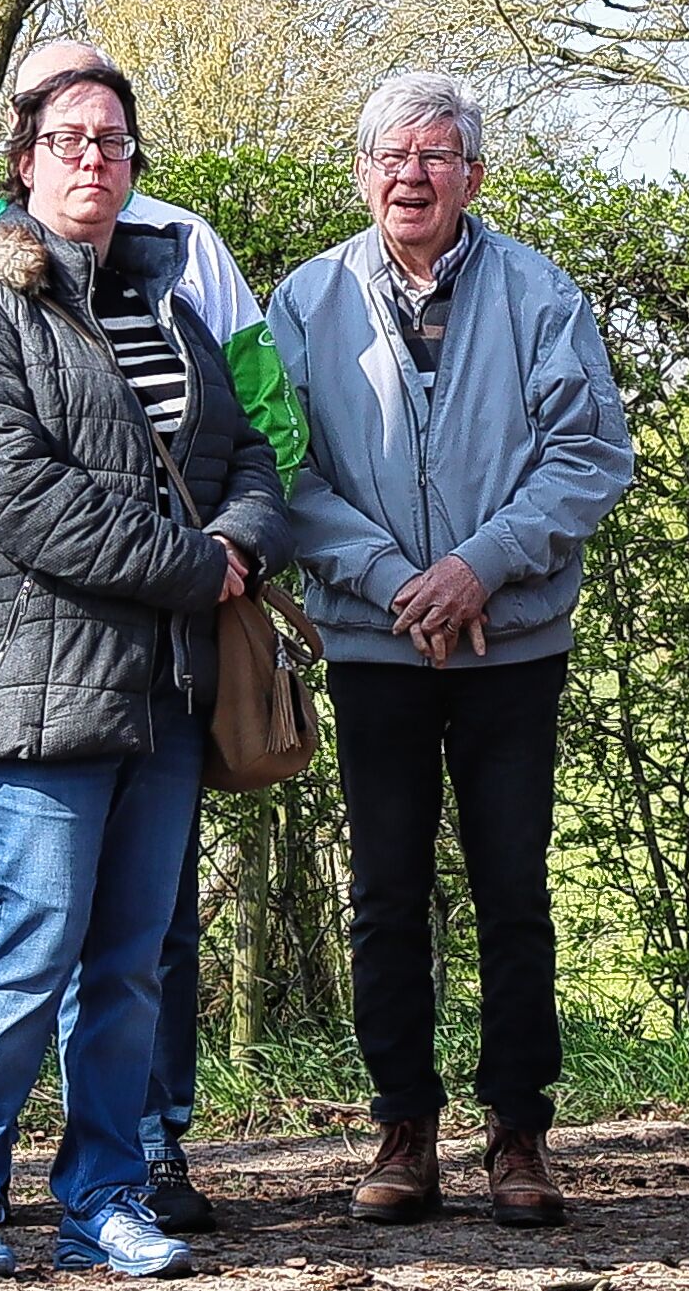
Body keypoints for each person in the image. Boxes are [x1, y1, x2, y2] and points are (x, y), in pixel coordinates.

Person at [0, 38, 304, 1229]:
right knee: (22, 954)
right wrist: (195, 568)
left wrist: (244, 544)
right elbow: (12, 489)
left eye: (110, 140)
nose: (90, 158)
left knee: (129, 966)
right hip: (30, 683)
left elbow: (243, 450)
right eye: (66, 140)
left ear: (132, 162)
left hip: (161, 686)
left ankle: (106, 1191)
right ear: (25, 162)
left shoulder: (162, 294)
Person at [269, 73, 640, 1229]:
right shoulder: (305, 299)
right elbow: (282, 469)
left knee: (512, 890)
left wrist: (478, 566)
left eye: (436, 156)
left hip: (510, 645)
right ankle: (402, 1127)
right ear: (362, 171)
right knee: (382, 893)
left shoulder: (537, 292)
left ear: (473, 177)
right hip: (374, 646)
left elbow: (585, 455)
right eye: (391, 154)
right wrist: (394, 583)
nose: (411, 175)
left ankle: (518, 1132)